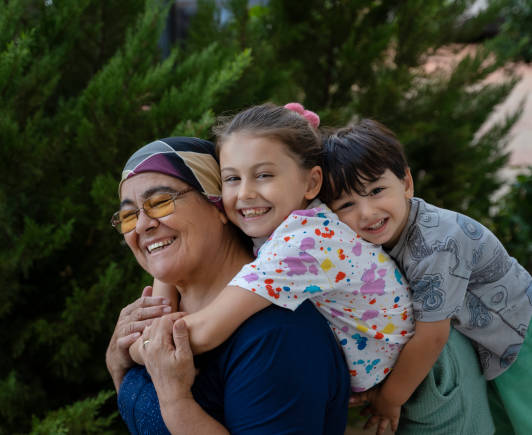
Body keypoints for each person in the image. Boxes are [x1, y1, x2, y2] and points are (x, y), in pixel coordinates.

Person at [129, 103, 415, 395]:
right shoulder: (278, 221)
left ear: (311, 182)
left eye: (264, 175)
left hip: (408, 371)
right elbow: (172, 274)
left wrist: (138, 348)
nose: (245, 193)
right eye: (232, 179)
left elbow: (204, 332)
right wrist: (161, 305)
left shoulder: (304, 245)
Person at [106, 136, 350, 434]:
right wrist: (118, 365)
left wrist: (175, 400)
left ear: (218, 205)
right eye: (129, 216)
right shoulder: (157, 319)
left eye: (159, 202)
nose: (142, 225)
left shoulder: (276, 335)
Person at [324, 119, 532, 434]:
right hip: (491, 339)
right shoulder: (379, 239)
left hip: (520, 334)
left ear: (406, 183)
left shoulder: (436, 245)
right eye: (347, 204)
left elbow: (432, 336)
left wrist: (391, 399)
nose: (366, 212)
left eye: (377, 190)